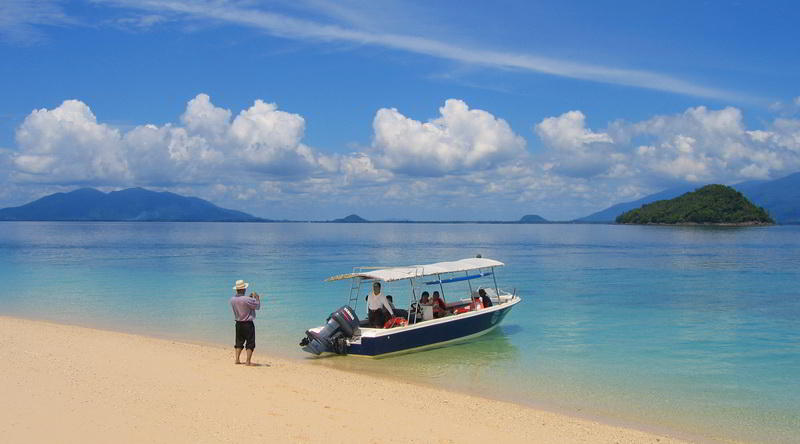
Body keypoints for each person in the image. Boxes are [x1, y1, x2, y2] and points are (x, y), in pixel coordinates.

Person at [229, 279, 261, 365]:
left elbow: (242, 304)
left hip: (238, 323)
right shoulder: (247, 299)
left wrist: (250, 298)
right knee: (250, 342)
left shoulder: (232, 299)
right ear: (244, 289)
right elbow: (257, 307)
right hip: (248, 324)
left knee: (239, 342)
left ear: (236, 289)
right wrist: (257, 298)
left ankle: (237, 359)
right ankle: (248, 361)